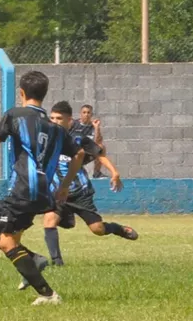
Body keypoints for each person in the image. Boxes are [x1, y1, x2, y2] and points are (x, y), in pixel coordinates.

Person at [0, 71, 84, 306]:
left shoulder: (16, 115)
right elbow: (79, 154)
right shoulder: (56, 128)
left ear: (21, 93)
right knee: (10, 238)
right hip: (43, 194)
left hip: (23, 190)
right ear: (43, 95)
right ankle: (34, 263)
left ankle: (46, 291)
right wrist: (64, 186)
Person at [38, 101, 138, 271]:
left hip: (79, 192)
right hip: (57, 193)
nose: (54, 121)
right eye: (52, 117)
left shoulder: (78, 140)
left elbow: (99, 154)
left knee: (97, 229)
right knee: (49, 220)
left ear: (69, 120)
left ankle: (116, 228)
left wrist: (114, 172)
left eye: (59, 118)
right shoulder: (46, 139)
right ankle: (57, 263)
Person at [75, 104, 106, 178]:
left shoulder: (93, 126)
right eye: (84, 112)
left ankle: (96, 173)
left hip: (86, 154)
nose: (86, 114)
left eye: (88, 113)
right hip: (73, 154)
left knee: (101, 147)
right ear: (81, 114)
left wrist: (97, 128)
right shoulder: (74, 124)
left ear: (91, 114)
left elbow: (97, 142)